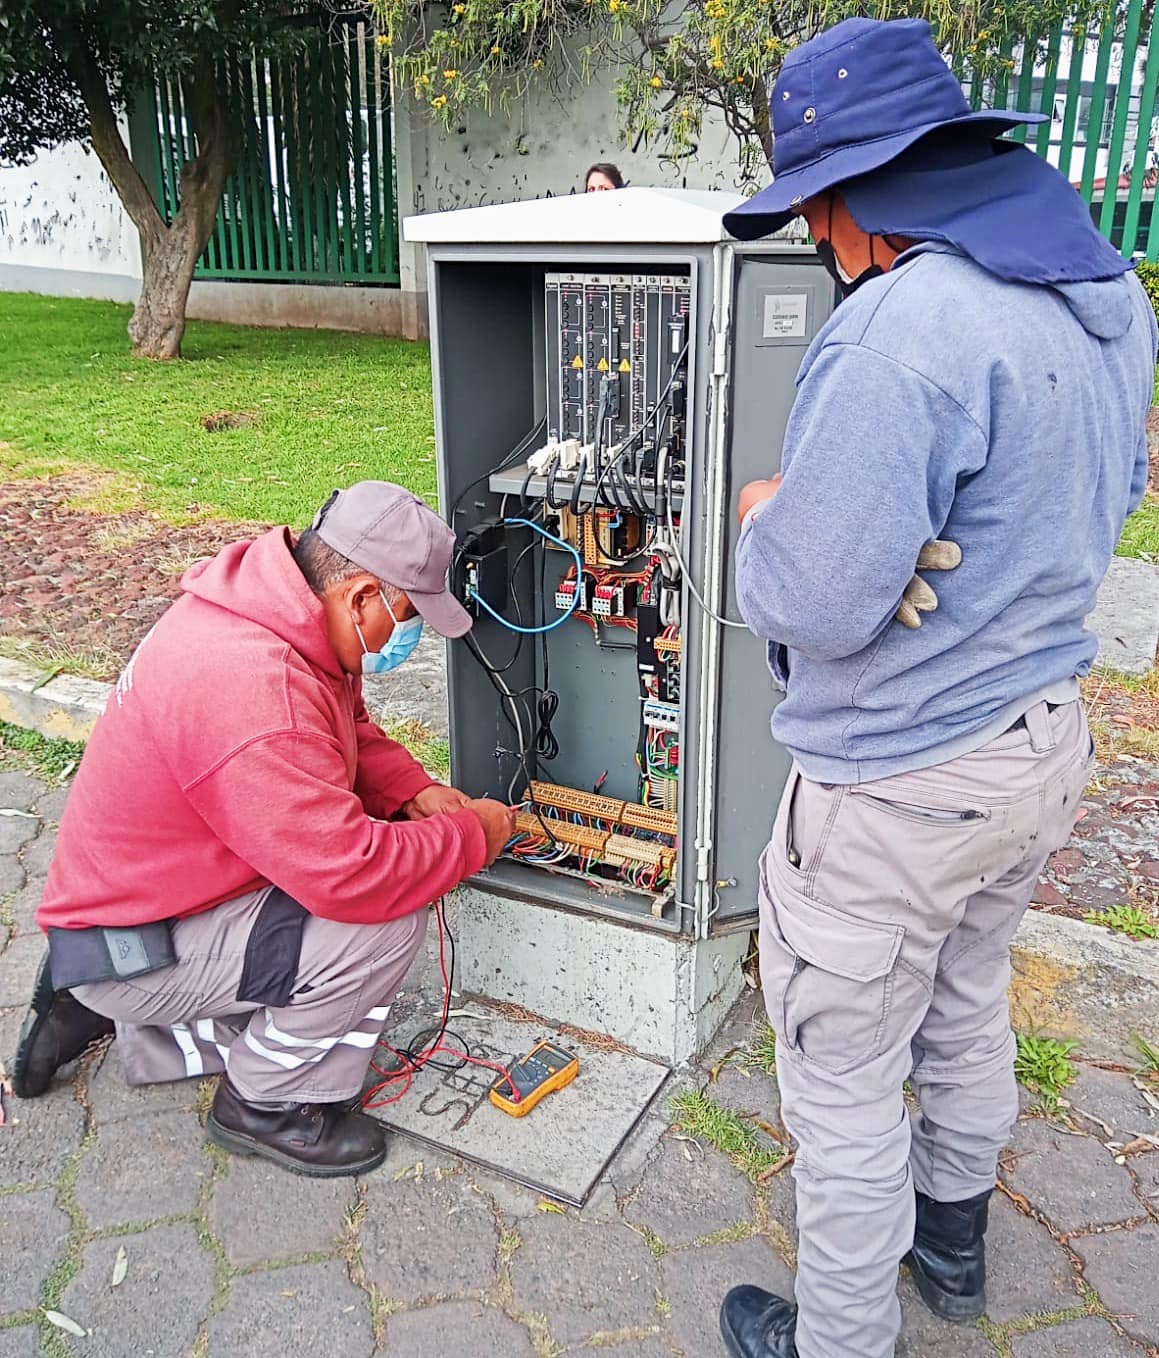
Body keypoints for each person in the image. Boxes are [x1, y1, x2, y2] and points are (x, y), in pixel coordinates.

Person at [719, 17, 1154, 1358]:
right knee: (963, 996)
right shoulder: (1103, 288)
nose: (818, 241)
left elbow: (805, 598)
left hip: (895, 787)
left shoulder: (901, 327)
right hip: (1033, 750)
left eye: (813, 212)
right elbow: (1110, 490)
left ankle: (841, 1338)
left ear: (849, 195)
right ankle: (952, 1244)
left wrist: (762, 512)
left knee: (842, 1075)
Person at [13, 482, 515, 1178]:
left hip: (138, 902)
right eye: (410, 616)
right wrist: (472, 838)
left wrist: (414, 791)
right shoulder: (255, 686)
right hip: (134, 932)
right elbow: (353, 876)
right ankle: (265, 1104)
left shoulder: (278, 608)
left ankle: (111, 1009)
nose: (411, 636)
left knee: (361, 879)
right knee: (381, 926)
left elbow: (346, 731)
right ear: (363, 596)